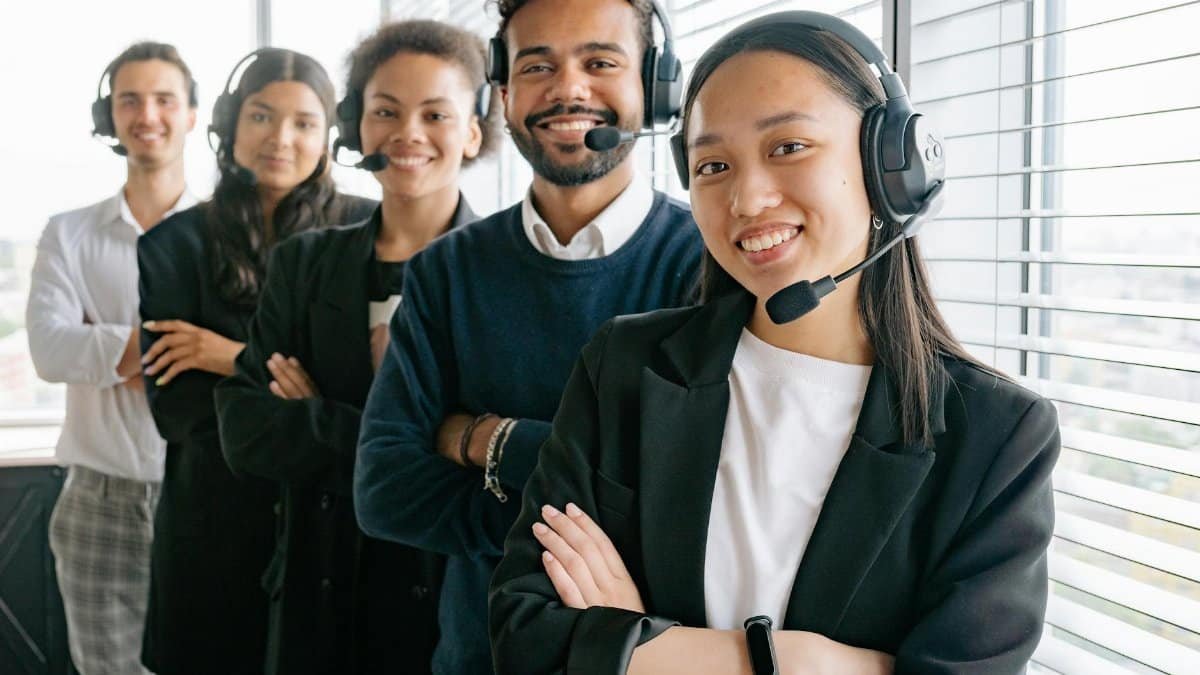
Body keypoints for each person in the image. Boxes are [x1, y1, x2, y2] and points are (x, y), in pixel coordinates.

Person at [490, 11, 1060, 675]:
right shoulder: (625, 367)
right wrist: (811, 662)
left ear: (891, 164)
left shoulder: (995, 437)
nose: (746, 197)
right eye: (713, 164)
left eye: (788, 147)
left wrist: (633, 643)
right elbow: (525, 636)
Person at [353, 0, 701, 672]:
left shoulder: (708, 267)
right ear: (505, 92)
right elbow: (385, 489)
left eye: (600, 62)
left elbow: (685, 500)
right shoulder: (445, 271)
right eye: (539, 65)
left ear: (653, 85)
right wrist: (590, 517)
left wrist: (480, 439)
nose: (568, 88)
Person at [213, 20, 498, 675]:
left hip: (448, 607)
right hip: (318, 592)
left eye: (436, 113)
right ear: (358, 125)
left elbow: (498, 468)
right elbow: (245, 429)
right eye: (385, 111)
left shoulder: (503, 273)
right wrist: (421, 437)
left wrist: (320, 415)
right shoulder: (304, 263)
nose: (409, 133)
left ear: (475, 131)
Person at [136, 48, 375, 675]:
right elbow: (180, 410)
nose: (281, 138)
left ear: (331, 136)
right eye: (262, 117)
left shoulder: (369, 231)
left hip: (334, 531)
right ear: (229, 125)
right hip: (212, 529)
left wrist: (232, 358)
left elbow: (373, 406)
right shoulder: (172, 244)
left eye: (304, 122)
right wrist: (304, 400)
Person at [25, 41, 197, 675]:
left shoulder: (222, 233)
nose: (146, 114)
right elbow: (49, 349)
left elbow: (248, 355)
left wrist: (105, 341)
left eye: (163, 99)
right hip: (98, 497)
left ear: (192, 115)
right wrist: (174, 342)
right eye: (130, 99)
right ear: (110, 116)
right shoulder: (68, 233)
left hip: (206, 490)